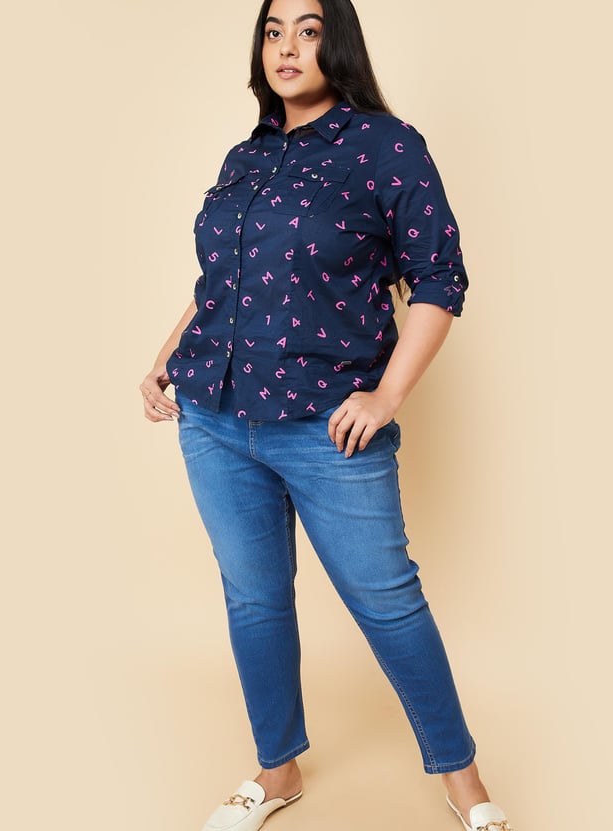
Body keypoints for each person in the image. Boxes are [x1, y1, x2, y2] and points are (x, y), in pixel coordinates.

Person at [140, 1, 513, 829]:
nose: (286, 48)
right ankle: (277, 769)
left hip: (325, 425)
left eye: (306, 31)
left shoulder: (386, 145)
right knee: (254, 599)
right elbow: (223, 280)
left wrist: (386, 395)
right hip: (214, 418)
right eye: (272, 32)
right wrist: (169, 352)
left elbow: (438, 277)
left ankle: (463, 781)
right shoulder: (246, 155)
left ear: (334, 42)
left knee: (388, 602)